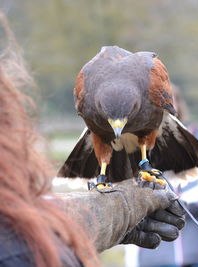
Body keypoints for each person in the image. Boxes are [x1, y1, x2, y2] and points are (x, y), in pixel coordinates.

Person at [0, 14, 185, 267]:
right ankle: (102, 177)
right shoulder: (86, 83)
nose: (117, 128)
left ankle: (143, 165)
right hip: (99, 137)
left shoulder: (152, 75)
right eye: (113, 121)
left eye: (121, 121)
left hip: (147, 129)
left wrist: (114, 214)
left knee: (143, 138)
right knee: (102, 140)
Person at [137, 86, 198, 267]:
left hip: (193, 252)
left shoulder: (197, 143)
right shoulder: (137, 149)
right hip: (154, 255)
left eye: (168, 100)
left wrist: (177, 203)